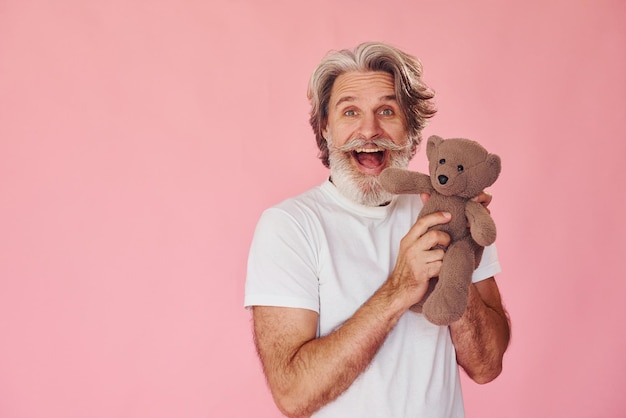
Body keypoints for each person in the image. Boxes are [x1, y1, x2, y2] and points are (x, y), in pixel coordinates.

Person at [244, 41, 510, 418]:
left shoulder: (449, 213)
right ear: (325, 126)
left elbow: (487, 366)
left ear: (412, 127)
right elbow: (293, 395)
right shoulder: (289, 227)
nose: (369, 130)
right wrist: (400, 288)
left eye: (387, 110)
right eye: (349, 111)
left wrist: (456, 264)